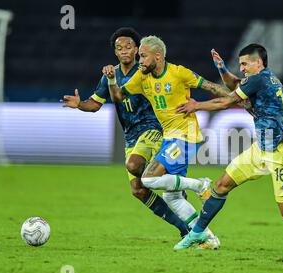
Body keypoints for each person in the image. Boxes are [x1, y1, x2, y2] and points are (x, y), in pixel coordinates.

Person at [173, 44, 283, 251]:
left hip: (279, 151)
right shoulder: (261, 79)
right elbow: (235, 84)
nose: (242, 68)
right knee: (221, 185)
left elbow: (227, 102)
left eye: (245, 63)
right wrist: (222, 69)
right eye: (240, 64)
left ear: (259, 62)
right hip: (260, 149)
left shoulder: (260, 79)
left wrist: (197, 105)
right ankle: (197, 233)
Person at [61, 28, 218, 247]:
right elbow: (97, 104)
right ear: (115, 52)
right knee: (139, 190)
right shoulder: (111, 75)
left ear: (136, 50)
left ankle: (184, 186)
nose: (124, 51)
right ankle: (186, 228)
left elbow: (174, 83)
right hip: (130, 135)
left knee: (135, 165)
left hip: (152, 129)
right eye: (119, 48)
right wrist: (80, 105)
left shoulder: (145, 71)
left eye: (129, 47)